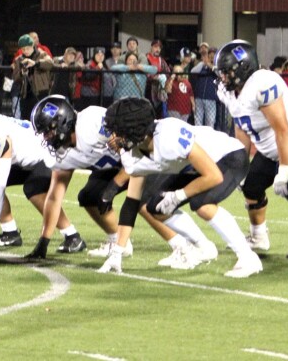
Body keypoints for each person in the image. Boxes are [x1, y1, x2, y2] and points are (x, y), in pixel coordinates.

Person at [28, 95, 217, 268]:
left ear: (63, 122)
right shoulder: (59, 154)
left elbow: (131, 148)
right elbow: (54, 196)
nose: (46, 138)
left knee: (142, 202)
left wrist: (114, 186)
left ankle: (182, 246)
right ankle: (118, 242)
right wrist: (43, 242)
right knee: (89, 196)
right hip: (118, 167)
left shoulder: (91, 124)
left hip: (143, 157)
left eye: (48, 131)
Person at [97, 98, 262, 277]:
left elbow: (213, 176)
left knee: (202, 205)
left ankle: (248, 257)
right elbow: (131, 202)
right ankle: (203, 248)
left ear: (134, 130)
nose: (113, 137)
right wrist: (117, 253)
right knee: (154, 206)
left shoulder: (169, 136)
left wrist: (178, 196)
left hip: (227, 156)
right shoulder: (131, 155)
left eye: (118, 131)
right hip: (192, 167)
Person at [215, 40, 288, 259]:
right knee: (251, 186)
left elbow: (282, 129)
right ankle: (258, 238)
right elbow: (241, 127)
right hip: (271, 147)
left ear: (241, 69)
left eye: (227, 72)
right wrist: (241, 167)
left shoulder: (263, 83)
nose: (223, 78)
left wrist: (284, 171)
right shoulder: (230, 92)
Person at [0, 90, 85, 253]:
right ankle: (9, 231)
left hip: (43, 154)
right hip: (21, 161)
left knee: (34, 188)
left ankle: (72, 235)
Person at [12, 33, 53, 120]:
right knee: (26, 119)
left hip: (41, 92)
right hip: (26, 94)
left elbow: (50, 64)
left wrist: (36, 63)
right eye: (23, 49)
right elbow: (15, 78)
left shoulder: (42, 55)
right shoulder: (19, 60)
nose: (26, 51)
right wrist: (21, 73)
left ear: (32, 46)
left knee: (42, 118)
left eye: (28, 48)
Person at [190, 46, 218, 128]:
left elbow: (218, 73)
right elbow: (193, 71)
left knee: (210, 121)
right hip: (199, 97)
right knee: (198, 121)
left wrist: (210, 65)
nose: (211, 58)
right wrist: (203, 63)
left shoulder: (217, 67)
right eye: (210, 56)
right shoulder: (202, 66)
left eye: (213, 56)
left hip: (211, 98)